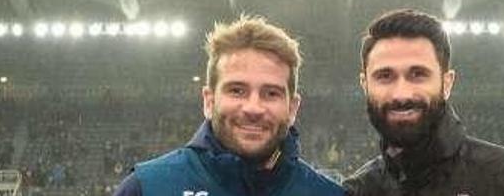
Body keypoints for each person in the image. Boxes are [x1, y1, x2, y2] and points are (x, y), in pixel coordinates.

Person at [113, 15, 343, 196]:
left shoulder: (328, 193)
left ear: (292, 108)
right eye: (237, 91)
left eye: (271, 93)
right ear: (209, 101)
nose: (253, 108)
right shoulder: (149, 188)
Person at [344, 9, 504, 196]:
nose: (402, 94)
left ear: (447, 83)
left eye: (418, 74)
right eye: (384, 76)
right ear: (365, 84)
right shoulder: (359, 190)